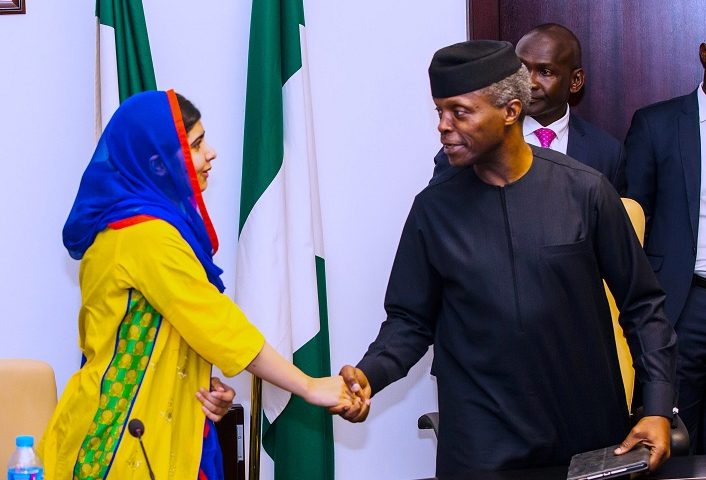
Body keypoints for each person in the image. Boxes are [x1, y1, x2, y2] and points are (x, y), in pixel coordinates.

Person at [331, 40, 677, 476]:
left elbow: (643, 306)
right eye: (439, 111)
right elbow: (409, 321)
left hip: (584, 439)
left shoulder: (585, 191)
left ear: (511, 111)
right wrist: (369, 376)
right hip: (480, 445)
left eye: (459, 112)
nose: (442, 125)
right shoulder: (433, 209)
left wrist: (659, 406)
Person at [39, 90, 357, 480]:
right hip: (120, 441)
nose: (211, 153)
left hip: (152, 430)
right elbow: (220, 327)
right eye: (196, 144)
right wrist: (309, 386)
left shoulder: (142, 227)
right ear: (157, 164)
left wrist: (202, 383)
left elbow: (165, 329)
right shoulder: (144, 236)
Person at [625, 42, 706, 453]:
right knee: (676, 429)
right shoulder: (656, 123)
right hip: (681, 298)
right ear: (705, 53)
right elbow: (633, 220)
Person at [431, 24, 625, 194]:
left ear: (575, 81)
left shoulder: (606, 152)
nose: (530, 82)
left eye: (545, 72)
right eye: (522, 69)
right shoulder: (474, 143)